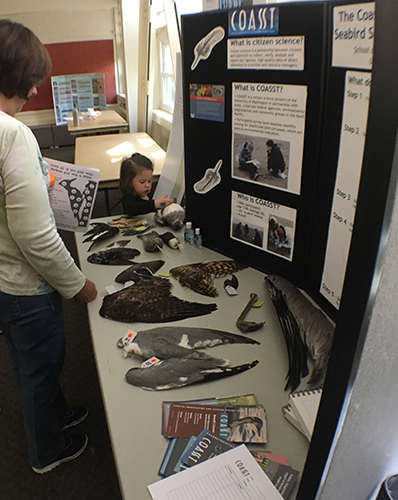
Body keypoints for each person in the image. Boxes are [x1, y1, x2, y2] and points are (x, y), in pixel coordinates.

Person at [0, 19, 98, 474]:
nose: (37, 91)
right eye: (32, 79)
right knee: (42, 368)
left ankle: (55, 417)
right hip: (27, 288)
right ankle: (47, 453)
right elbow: (37, 237)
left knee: (27, 366)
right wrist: (76, 284)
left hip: (2, 284)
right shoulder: (13, 133)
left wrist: (40, 183)